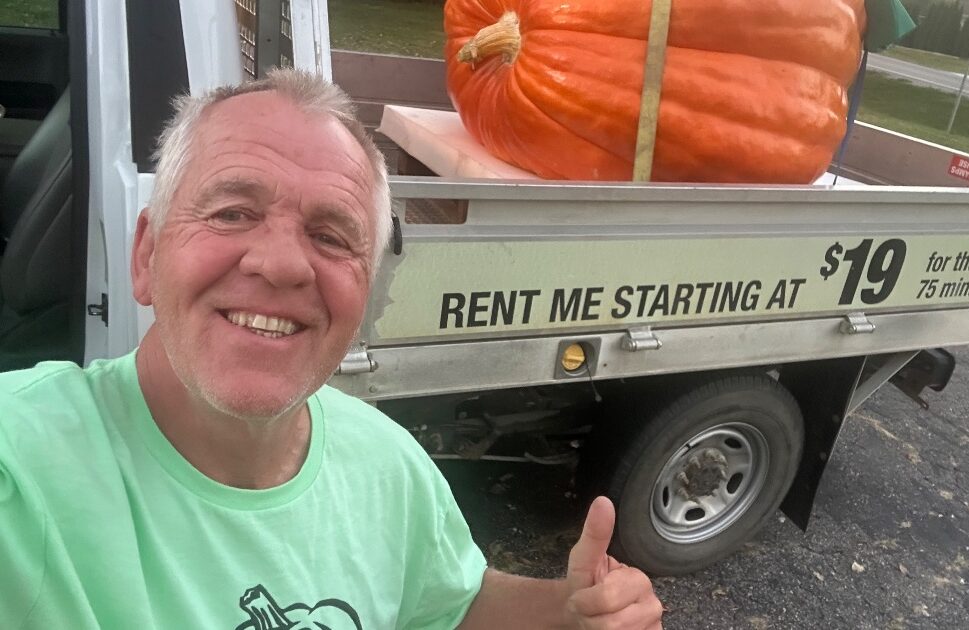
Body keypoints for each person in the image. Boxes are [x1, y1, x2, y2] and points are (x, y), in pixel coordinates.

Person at [0, 68, 663, 629]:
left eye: (330, 235)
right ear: (146, 255)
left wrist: (568, 613)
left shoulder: (384, 462)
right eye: (233, 211)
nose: (282, 264)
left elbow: (449, 605)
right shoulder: (23, 471)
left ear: (363, 295)